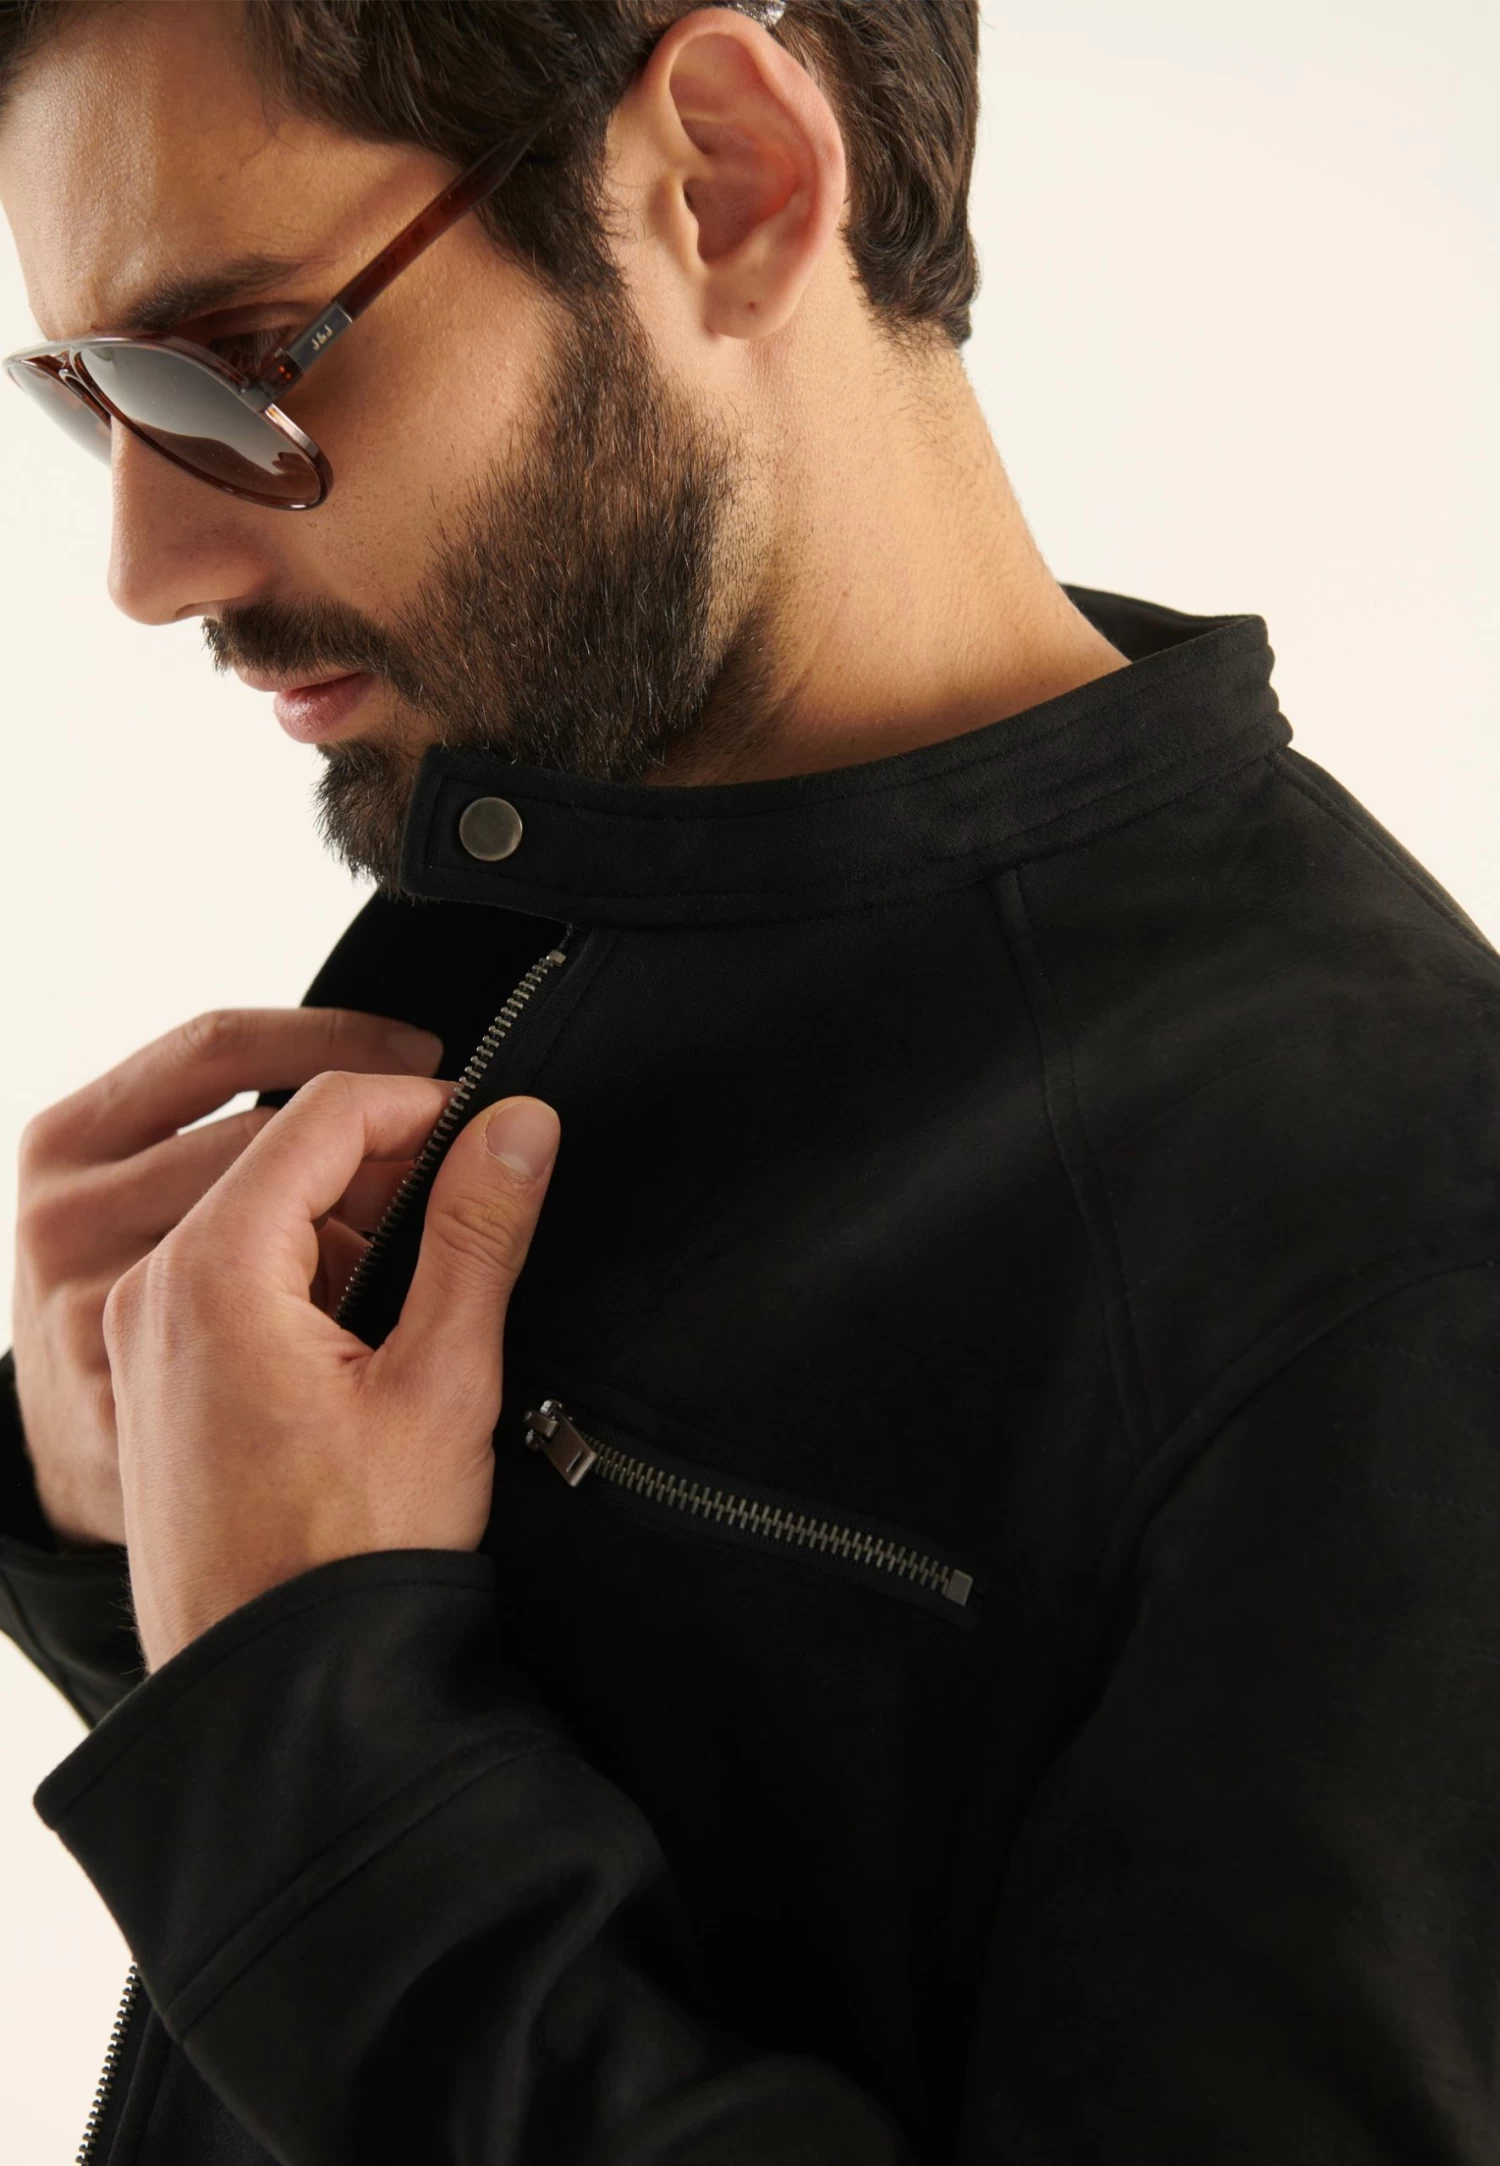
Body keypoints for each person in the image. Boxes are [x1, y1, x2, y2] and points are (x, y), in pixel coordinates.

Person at [1, 0, 1497, 2159]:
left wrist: (302, 1710)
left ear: (731, 182)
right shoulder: (533, 889)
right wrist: (147, 1552)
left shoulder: (1392, 1255)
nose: (148, 570)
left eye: (229, 369)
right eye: (96, 397)